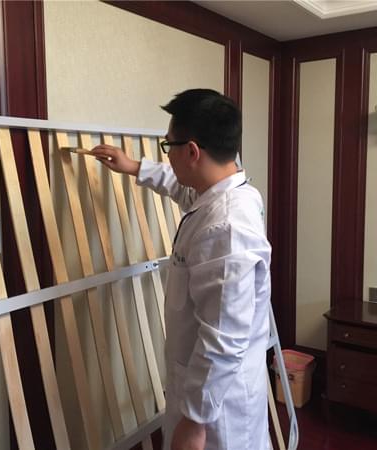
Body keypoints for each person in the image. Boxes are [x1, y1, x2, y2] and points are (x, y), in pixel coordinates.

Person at [91, 89, 271, 450]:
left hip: (219, 408)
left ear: (191, 151)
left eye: (168, 146)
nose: (167, 155)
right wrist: (135, 167)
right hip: (205, 386)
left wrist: (195, 420)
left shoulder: (227, 228)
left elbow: (224, 338)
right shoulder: (228, 192)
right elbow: (183, 188)